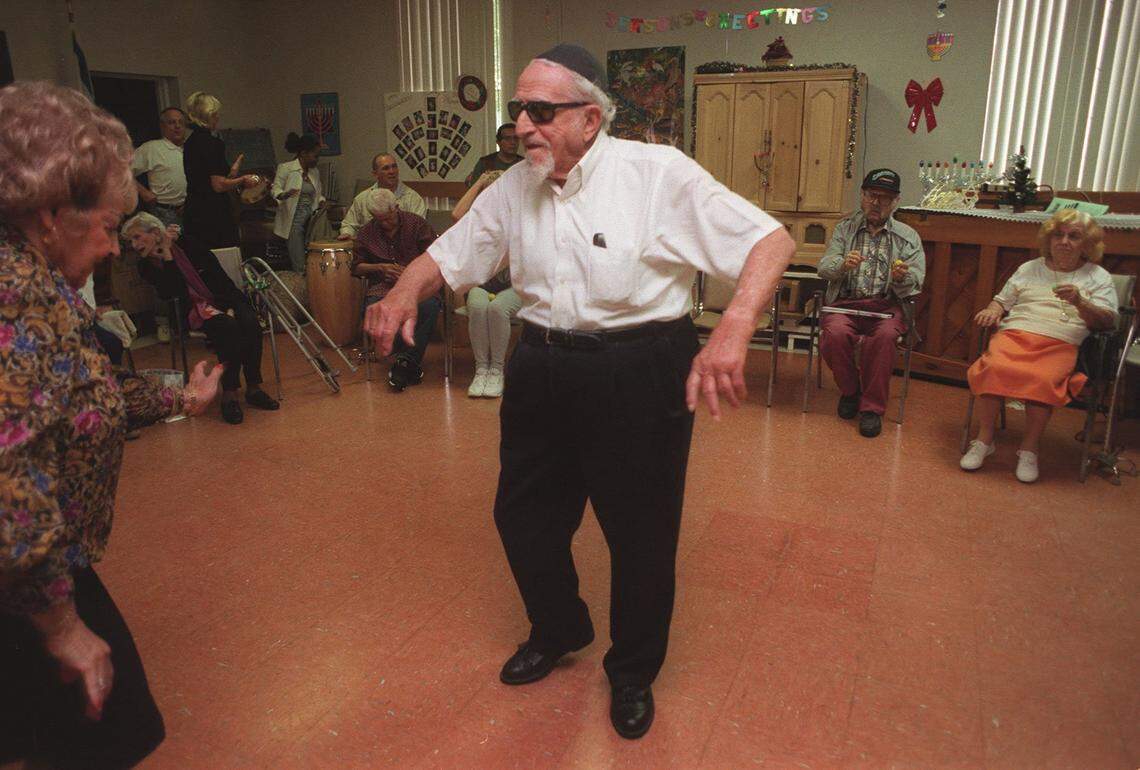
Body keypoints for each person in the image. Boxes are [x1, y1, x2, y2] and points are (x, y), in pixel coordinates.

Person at [365, 44, 794, 739]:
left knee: (640, 533)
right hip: (541, 365)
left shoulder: (655, 174)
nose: (522, 125)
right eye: (518, 110)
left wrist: (734, 326)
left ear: (589, 119)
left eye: (540, 111)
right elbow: (449, 253)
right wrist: (402, 293)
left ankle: (632, 671)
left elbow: (769, 241)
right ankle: (559, 627)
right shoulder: (514, 185)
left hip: (640, 366)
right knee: (523, 517)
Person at [0, 81, 223, 769]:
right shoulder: (15, 297)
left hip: (38, 567)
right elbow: (9, 478)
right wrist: (61, 625)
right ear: (50, 214)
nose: (115, 248)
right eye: (106, 225)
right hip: (26, 579)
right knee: (111, 731)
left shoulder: (43, 282)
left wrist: (176, 397)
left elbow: (82, 392)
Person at [960, 209, 1117, 482]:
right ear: (1049, 239)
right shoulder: (1029, 268)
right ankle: (984, 440)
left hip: (1060, 342)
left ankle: (1029, 448)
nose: (1064, 242)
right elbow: (1001, 301)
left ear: (1087, 244)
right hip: (1015, 335)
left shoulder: (1097, 276)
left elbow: (1106, 321)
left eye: (1074, 236)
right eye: (1058, 235)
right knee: (992, 368)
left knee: (1042, 379)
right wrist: (992, 310)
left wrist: (1080, 302)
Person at [124, 211, 280, 424]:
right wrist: (168, 254)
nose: (134, 245)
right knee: (228, 327)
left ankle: (254, 387)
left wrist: (228, 306)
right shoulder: (145, 266)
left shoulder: (187, 244)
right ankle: (230, 393)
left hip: (223, 298)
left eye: (137, 237)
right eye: (130, 241)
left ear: (155, 232)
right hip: (190, 311)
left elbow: (218, 275)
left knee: (250, 321)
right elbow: (173, 292)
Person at [815, 168, 926, 438]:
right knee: (833, 335)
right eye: (872, 195)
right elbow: (824, 268)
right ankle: (851, 391)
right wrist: (842, 265)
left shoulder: (908, 236)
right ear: (862, 196)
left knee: (884, 338)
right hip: (846, 303)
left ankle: (872, 409)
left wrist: (901, 277)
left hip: (886, 306)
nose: (877, 203)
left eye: (885, 198)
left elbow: (916, 282)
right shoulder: (845, 228)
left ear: (896, 201)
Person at [352, 188, 438, 391]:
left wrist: (411, 273)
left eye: (388, 218)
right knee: (374, 310)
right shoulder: (366, 232)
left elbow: (435, 257)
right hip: (382, 288)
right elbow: (356, 267)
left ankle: (405, 361)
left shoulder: (417, 225)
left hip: (416, 286)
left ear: (396, 208)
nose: (385, 224)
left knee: (429, 306)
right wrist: (379, 268)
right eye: (379, 220)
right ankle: (407, 361)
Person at [451, 170, 521, 398]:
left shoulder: (517, 214)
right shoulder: (478, 220)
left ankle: (497, 370)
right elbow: (456, 214)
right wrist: (480, 181)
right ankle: (481, 369)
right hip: (481, 284)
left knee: (498, 308)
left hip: (513, 286)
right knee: (479, 307)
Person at [181, 91, 259, 249]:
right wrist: (242, 180)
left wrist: (232, 173)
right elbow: (218, 185)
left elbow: (205, 177)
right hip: (212, 213)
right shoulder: (212, 143)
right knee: (223, 255)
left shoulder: (190, 142)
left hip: (194, 210)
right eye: (215, 113)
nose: (218, 117)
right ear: (207, 115)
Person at [337, 152, 427, 239]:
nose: (392, 171)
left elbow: (419, 228)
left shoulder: (413, 198)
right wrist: (347, 234)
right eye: (386, 168)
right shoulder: (362, 199)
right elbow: (349, 225)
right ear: (375, 174)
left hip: (403, 246)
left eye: (394, 166)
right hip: (370, 245)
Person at [271, 132, 326, 273]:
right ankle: (301, 271)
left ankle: (320, 269)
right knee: (295, 231)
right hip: (293, 216)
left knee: (324, 229)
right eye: (315, 156)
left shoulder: (314, 172)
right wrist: (284, 194)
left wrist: (322, 202)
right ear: (303, 153)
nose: (317, 159)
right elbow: (275, 189)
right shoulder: (286, 168)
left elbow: (318, 194)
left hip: (311, 214)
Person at [131, 106, 188, 228]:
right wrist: (143, 192)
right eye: (172, 122)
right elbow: (122, 172)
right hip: (163, 212)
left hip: (190, 210)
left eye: (181, 122)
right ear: (162, 126)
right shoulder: (151, 148)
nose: (177, 126)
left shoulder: (192, 148)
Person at [464, 122, 522, 187]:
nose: (513, 142)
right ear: (498, 142)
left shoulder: (525, 164)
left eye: (516, 138)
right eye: (507, 138)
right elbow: (474, 190)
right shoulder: (485, 163)